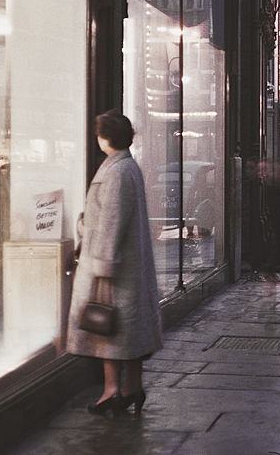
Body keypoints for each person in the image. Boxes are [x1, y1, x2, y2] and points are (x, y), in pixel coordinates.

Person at [66, 110, 162, 416]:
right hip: (127, 267)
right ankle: (132, 387)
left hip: (112, 270)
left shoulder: (117, 172)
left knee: (108, 331)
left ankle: (112, 391)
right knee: (128, 334)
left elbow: (111, 223)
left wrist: (102, 267)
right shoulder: (125, 167)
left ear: (105, 137)